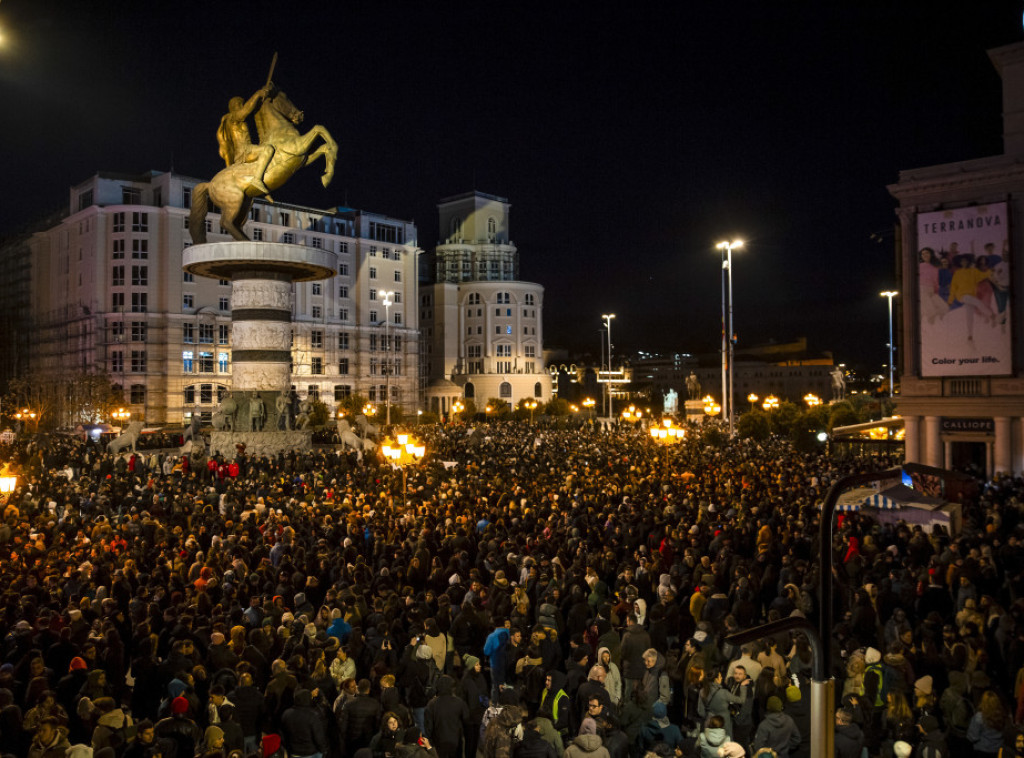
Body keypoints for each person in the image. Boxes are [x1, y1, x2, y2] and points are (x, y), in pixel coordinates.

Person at [217, 83, 276, 196]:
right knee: (268, 150)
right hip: (244, 152)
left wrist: (264, 94)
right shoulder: (232, 118)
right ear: (234, 106)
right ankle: (257, 179)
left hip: (248, 149)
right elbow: (246, 111)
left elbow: (252, 107)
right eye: (240, 104)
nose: (243, 105)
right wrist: (258, 93)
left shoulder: (236, 119)